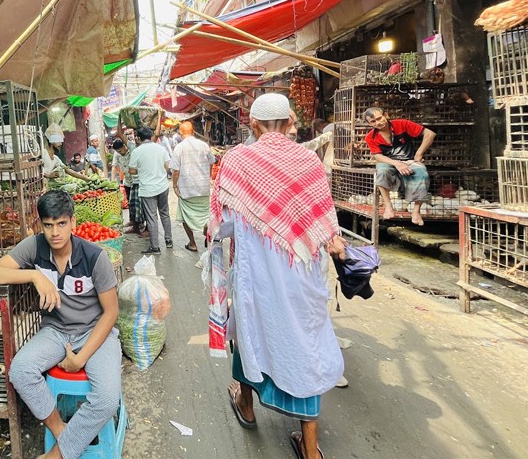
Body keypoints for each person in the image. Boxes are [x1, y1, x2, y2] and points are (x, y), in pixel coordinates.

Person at [211, 93, 345, 459]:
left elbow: (222, 224)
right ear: (289, 122)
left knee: (249, 330)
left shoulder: (237, 160)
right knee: (304, 342)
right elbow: (323, 218)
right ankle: (311, 447)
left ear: (252, 124)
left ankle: (247, 404)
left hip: (256, 274)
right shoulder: (307, 159)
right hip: (301, 271)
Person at [0, 190, 120, 459]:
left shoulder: (94, 257)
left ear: (73, 222)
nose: (55, 232)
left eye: (62, 223)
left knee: (107, 398)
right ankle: (61, 430)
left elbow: (111, 313)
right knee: (20, 371)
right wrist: (33, 275)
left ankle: (57, 455)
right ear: (40, 225)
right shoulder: (34, 247)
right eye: (48, 225)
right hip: (55, 331)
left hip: (95, 332)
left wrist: (80, 359)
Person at [362, 107, 436, 226]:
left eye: (379, 118)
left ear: (385, 115)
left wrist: (419, 154)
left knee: (422, 171)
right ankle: (388, 207)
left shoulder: (402, 124)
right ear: (369, 124)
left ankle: (416, 212)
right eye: (373, 121)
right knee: (381, 171)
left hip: (409, 160)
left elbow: (430, 134)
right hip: (388, 162)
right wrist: (397, 164)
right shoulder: (370, 137)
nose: (378, 122)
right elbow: (378, 156)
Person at [170, 121, 215, 254]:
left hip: (187, 189)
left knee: (185, 216)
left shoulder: (179, 148)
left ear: (180, 132)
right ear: (193, 131)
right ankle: (208, 231)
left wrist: (174, 185)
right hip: (203, 187)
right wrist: (207, 176)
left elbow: (176, 171)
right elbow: (212, 162)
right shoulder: (203, 145)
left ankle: (193, 243)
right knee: (206, 214)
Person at [129, 126, 172, 254]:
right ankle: (169, 240)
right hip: (163, 186)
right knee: (165, 213)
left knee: (152, 218)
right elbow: (167, 166)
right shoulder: (160, 148)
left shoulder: (137, 151)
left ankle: (155, 247)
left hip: (148, 189)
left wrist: (142, 169)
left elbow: (131, 170)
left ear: (139, 138)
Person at [113, 117, 146, 237]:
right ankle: (136, 225)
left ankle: (140, 226)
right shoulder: (133, 147)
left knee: (140, 206)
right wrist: (120, 117)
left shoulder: (135, 148)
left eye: (138, 136)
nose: (136, 139)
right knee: (133, 205)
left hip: (140, 182)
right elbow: (120, 133)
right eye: (135, 136)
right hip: (131, 182)